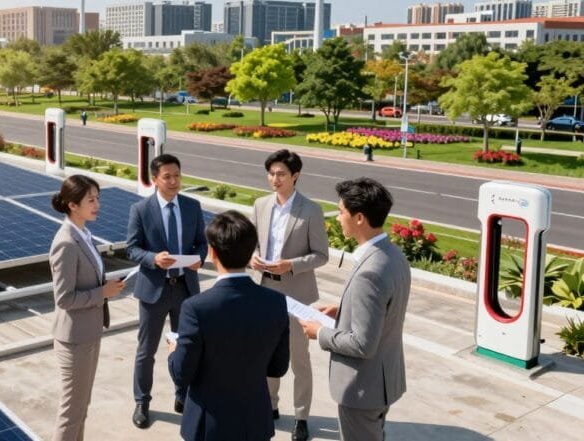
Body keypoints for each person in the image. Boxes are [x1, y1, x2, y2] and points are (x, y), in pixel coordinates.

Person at [300, 178, 411, 441]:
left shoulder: (369, 272)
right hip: (383, 379)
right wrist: (344, 308)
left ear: (359, 217)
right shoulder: (393, 255)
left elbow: (362, 344)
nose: (338, 218)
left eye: (341, 212)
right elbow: (386, 305)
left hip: (362, 389)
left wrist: (321, 332)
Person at [168, 210, 290, 441]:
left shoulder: (196, 307)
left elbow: (181, 373)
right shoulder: (276, 302)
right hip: (254, 420)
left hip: (208, 425)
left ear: (212, 252)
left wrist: (174, 352)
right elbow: (278, 367)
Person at [250, 149, 329, 441]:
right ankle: (270, 405)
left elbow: (321, 255)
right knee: (267, 352)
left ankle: (301, 417)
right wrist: (252, 257)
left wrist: (291, 266)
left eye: (281, 173)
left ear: (296, 176)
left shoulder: (311, 210)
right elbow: (252, 243)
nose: (275, 179)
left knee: (299, 358)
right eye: (271, 173)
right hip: (264, 289)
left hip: (296, 293)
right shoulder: (260, 204)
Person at [126, 154, 208, 429]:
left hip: (186, 289)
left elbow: (201, 243)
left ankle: (182, 396)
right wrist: (153, 259)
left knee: (186, 347)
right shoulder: (140, 209)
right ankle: (142, 402)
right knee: (146, 351)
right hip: (153, 291)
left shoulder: (192, 206)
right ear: (155, 180)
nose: (174, 182)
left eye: (177, 176)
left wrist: (199, 258)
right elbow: (132, 248)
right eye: (167, 177)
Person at [48, 175, 126, 441]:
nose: (97, 204)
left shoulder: (84, 234)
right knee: (71, 411)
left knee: (82, 407)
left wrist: (106, 289)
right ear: (72, 204)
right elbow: (64, 298)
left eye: (98, 198)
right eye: (90, 199)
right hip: (74, 339)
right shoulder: (66, 242)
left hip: (90, 332)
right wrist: (101, 293)